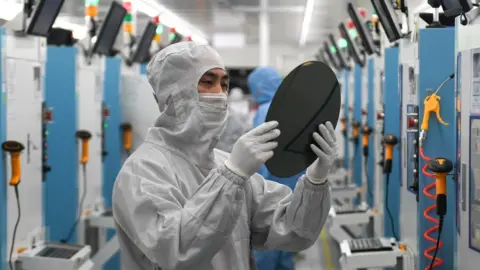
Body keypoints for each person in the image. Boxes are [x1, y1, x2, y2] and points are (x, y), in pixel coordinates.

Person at [112, 42, 337, 270]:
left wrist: (315, 180)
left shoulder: (222, 163)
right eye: (208, 82)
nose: (219, 94)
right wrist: (231, 177)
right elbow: (175, 252)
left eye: (224, 84)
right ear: (171, 93)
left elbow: (294, 230)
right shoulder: (142, 173)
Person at [248, 67, 305, 270]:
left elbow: (263, 154)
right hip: (293, 183)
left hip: (272, 185)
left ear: (258, 88)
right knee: (285, 240)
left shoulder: (265, 111)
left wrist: (255, 187)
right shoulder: (290, 106)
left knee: (268, 243)